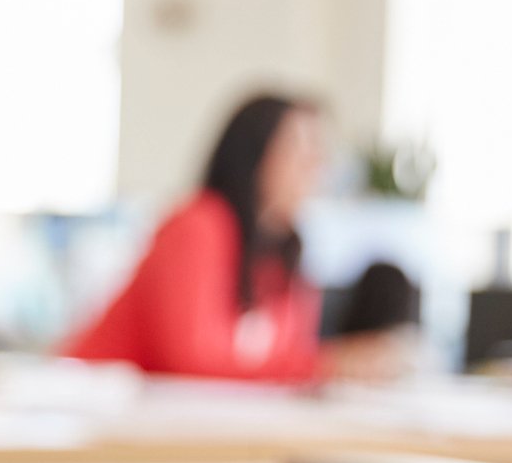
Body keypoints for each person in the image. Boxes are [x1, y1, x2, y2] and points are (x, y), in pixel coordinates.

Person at [63, 94, 328, 382]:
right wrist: (325, 367)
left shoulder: (285, 255)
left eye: (317, 150)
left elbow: (290, 355)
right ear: (254, 155)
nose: (314, 165)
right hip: (92, 401)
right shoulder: (198, 224)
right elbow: (188, 362)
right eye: (297, 149)